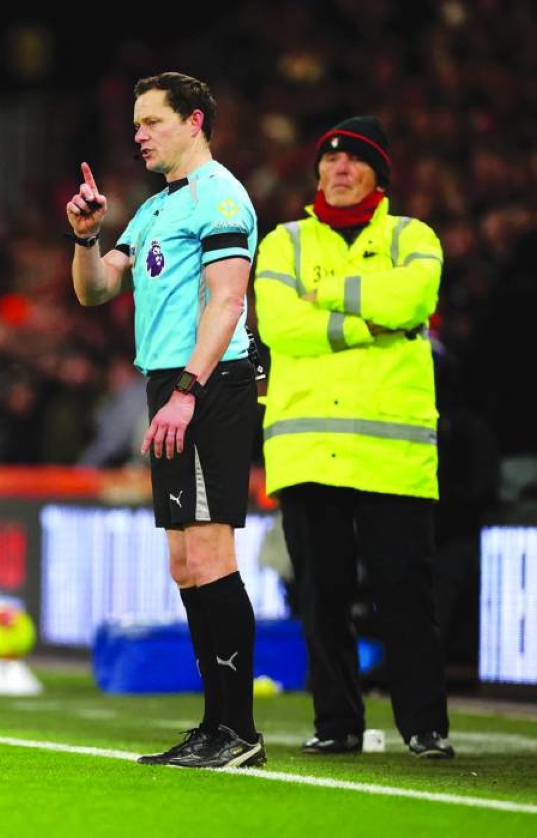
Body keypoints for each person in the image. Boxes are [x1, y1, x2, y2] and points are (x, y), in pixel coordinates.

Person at [66, 72, 263, 768]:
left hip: (208, 386)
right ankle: (215, 726)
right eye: (137, 124)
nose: (139, 135)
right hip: (171, 387)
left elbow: (228, 302)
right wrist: (87, 239)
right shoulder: (155, 209)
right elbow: (97, 290)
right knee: (184, 564)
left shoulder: (221, 198)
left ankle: (237, 731)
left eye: (152, 121)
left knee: (211, 555)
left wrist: (187, 390)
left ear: (195, 121)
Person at [253, 115, 453, 758]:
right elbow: (281, 326)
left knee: (406, 593)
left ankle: (424, 725)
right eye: (329, 159)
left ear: (378, 174)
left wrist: (328, 296)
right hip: (308, 451)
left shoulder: (411, 236)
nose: (339, 169)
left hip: (392, 453)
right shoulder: (282, 243)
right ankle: (336, 724)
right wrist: (371, 323)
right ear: (315, 174)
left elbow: (414, 298)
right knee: (322, 596)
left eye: (354, 160)